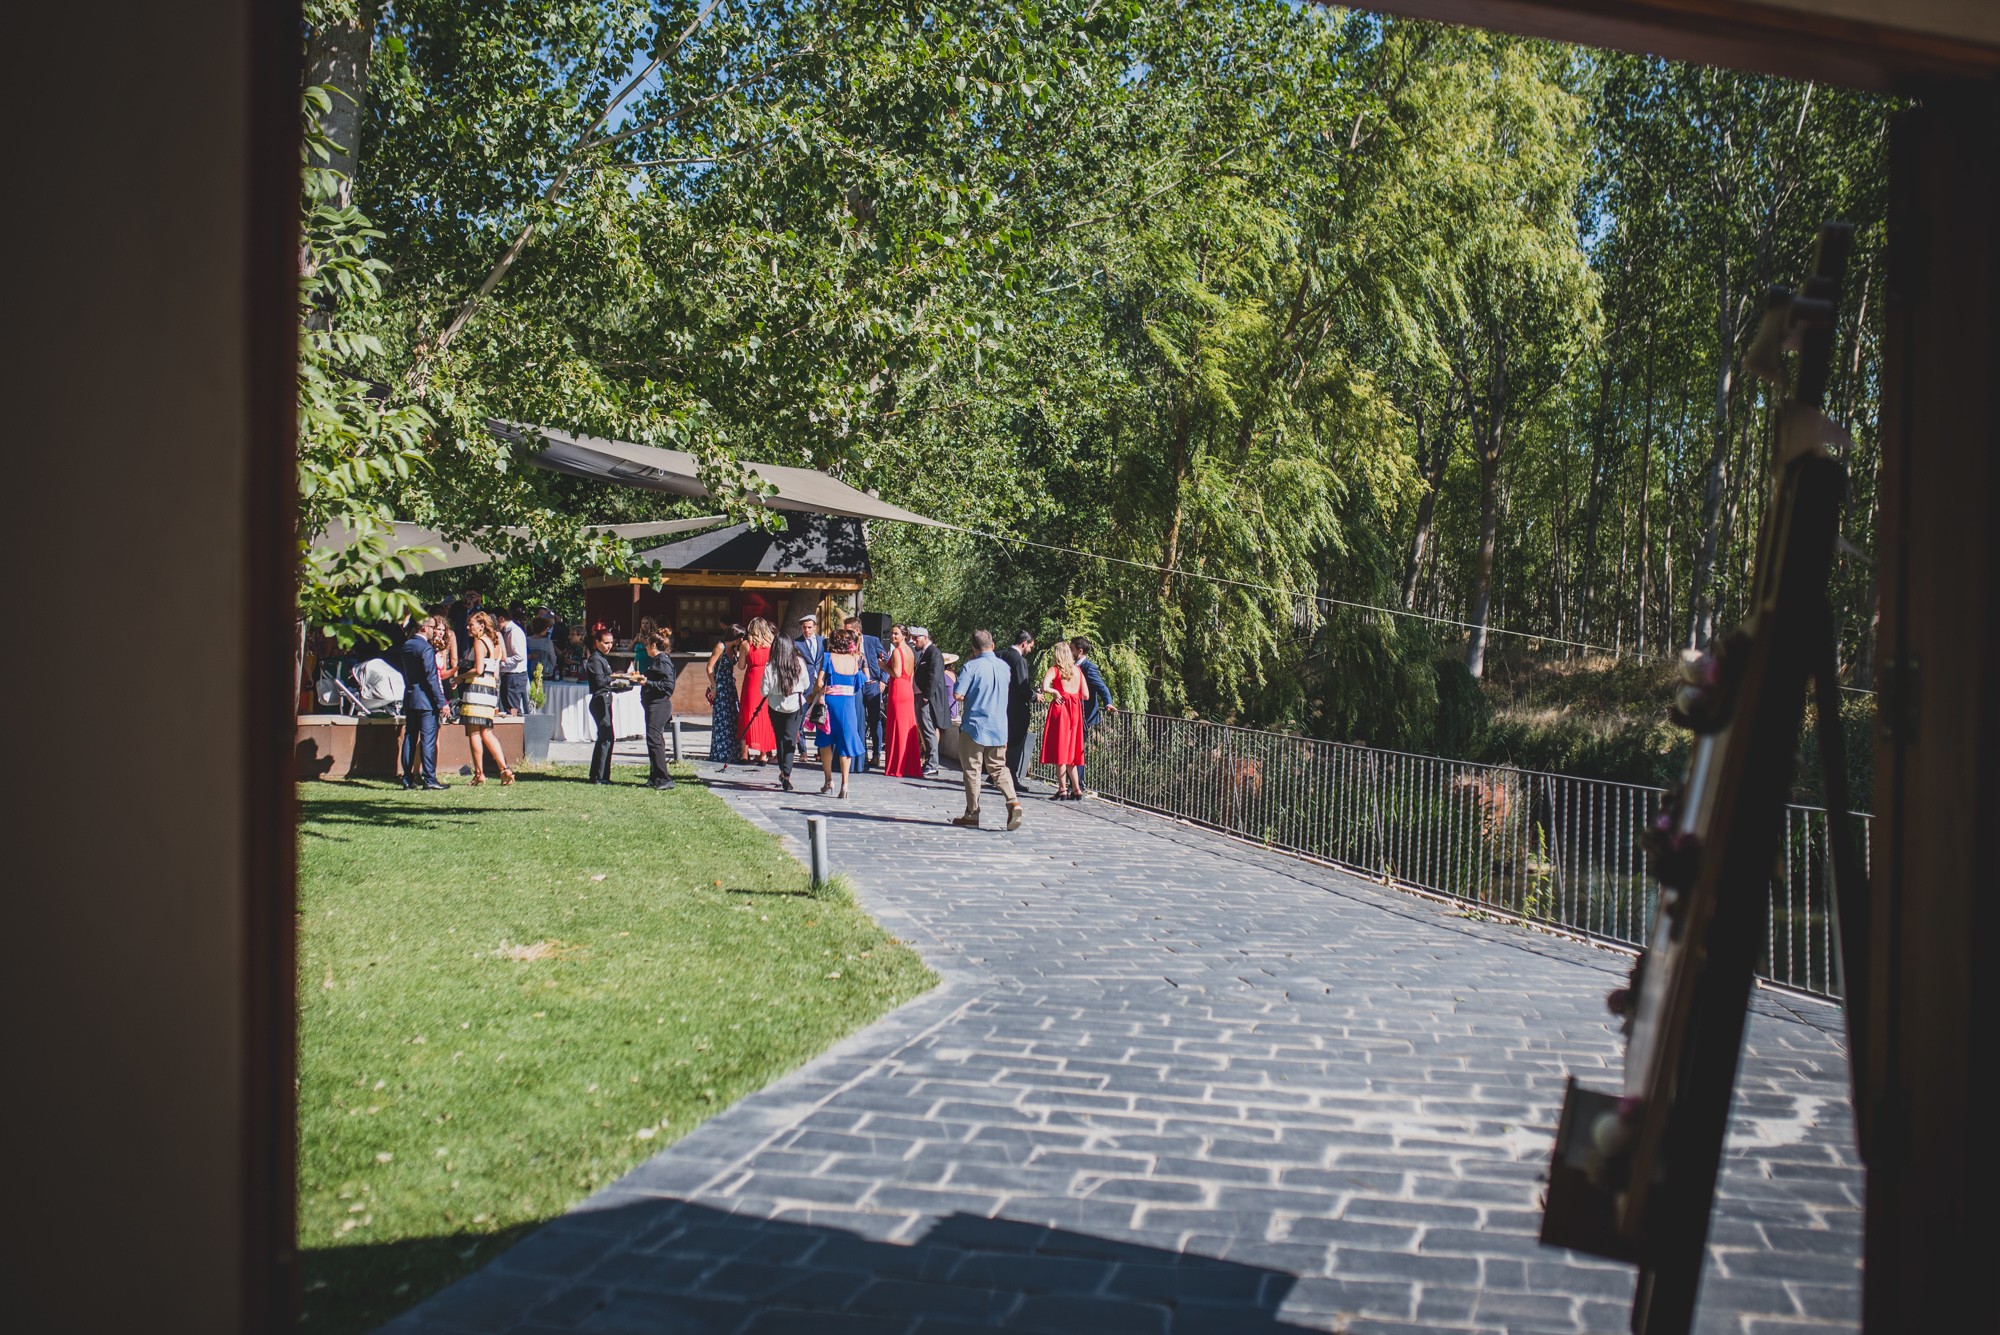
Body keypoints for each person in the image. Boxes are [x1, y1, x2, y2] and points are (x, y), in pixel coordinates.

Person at [950, 631, 1023, 831]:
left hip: (975, 726)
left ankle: (972, 814)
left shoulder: (971, 666)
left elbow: (957, 694)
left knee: (972, 771)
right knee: (999, 768)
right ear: (993, 644)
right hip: (999, 726)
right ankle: (1013, 801)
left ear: (974, 648)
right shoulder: (1004, 667)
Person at [808, 627, 867, 797]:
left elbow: (819, 682)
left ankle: (828, 780)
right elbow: (859, 683)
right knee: (846, 743)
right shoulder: (855, 659)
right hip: (847, 703)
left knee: (826, 742)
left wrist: (814, 694)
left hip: (830, 702)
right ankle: (845, 785)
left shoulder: (827, 657)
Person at [458, 611, 514, 785]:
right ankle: (505, 769)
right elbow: (500, 661)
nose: (468, 627)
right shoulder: (495, 641)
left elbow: (478, 668)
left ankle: (479, 773)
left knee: (474, 732)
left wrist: (458, 678)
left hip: (476, 689)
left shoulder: (479, 641)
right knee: (487, 732)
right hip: (490, 689)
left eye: (471, 624)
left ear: (482, 626)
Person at [398, 619, 449, 789]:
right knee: (428, 740)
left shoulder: (406, 646)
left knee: (410, 738)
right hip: (426, 701)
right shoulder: (425, 648)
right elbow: (431, 678)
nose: (435, 631)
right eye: (433, 628)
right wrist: (442, 702)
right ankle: (430, 779)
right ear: (424, 627)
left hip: (411, 697)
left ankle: (406, 778)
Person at [1038, 641, 1090, 799]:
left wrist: (1056, 692)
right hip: (1075, 712)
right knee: (1071, 752)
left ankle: (1062, 789)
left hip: (1061, 711)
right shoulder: (1078, 671)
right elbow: (1085, 695)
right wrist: (1072, 694)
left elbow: (1045, 686)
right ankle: (1076, 789)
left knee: (1060, 750)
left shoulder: (1055, 670)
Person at [762, 633, 811, 792]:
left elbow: (764, 691)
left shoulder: (770, 666)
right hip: (795, 705)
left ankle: (783, 770)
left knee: (780, 737)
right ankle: (786, 773)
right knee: (790, 738)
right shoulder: (799, 663)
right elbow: (806, 684)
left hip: (775, 706)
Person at [1072, 636, 1115, 796]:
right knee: (1073, 750)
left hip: (1084, 716)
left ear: (1080, 651)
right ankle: (1074, 784)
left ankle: (1078, 785)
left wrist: (1108, 703)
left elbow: (1101, 687)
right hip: (1074, 714)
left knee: (1078, 750)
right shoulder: (1073, 666)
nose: (1070, 652)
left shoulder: (1089, 667)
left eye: (1072, 649)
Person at [583, 625, 626, 784]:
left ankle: (601, 775)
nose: (609, 646)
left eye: (611, 643)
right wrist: (614, 676)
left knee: (608, 737)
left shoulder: (603, 658)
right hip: (599, 700)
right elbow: (600, 681)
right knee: (606, 737)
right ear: (597, 642)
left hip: (605, 698)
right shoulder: (595, 659)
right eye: (606, 643)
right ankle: (598, 776)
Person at [639, 626, 679, 790]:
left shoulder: (662, 661)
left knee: (654, 740)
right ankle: (655, 777)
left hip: (659, 704)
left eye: (647, 644)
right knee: (654, 740)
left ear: (653, 645)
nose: (646, 647)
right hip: (653, 703)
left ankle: (663, 778)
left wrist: (646, 682)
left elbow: (668, 686)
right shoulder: (659, 661)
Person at [880, 624, 922, 778]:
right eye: (892, 633)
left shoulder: (898, 651)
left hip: (898, 690)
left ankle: (897, 766)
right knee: (906, 729)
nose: (893, 636)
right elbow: (909, 674)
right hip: (907, 690)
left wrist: (883, 666)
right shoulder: (910, 651)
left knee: (898, 728)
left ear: (904, 635)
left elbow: (896, 673)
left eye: (896, 634)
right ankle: (907, 764)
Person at [996, 629, 1036, 786]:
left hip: (1001, 704)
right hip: (1016, 707)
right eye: (1030, 646)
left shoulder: (1000, 655)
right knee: (1015, 743)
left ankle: (996, 773)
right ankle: (1010, 777)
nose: (1030, 650)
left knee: (1003, 740)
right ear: (1024, 643)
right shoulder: (1019, 660)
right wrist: (1034, 696)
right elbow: (1022, 686)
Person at [846, 615, 885, 769]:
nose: (846, 633)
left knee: (874, 720)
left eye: (849, 631)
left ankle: (876, 754)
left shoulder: (872, 641)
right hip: (856, 686)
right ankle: (861, 754)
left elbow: (885, 658)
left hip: (872, 684)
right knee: (858, 719)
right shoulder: (847, 643)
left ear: (857, 630)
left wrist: (883, 681)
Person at [738, 618, 778, 763]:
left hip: (751, 681)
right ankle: (763, 754)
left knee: (747, 714)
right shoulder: (772, 644)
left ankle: (744, 753)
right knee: (765, 715)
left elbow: (741, 666)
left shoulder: (745, 644)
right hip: (767, 680)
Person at [909, 626, 947, 776]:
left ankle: (932, 764)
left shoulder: (934, 653)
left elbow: (934, 676)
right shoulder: (925, 653)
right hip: (922, 697)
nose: (914, 641)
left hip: (927, 699)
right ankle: (930, 762)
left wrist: (926, 696)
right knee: (925, 731)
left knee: (928, 731)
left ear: (925, 637)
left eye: (916, 638)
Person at [705, 624, 744, 767]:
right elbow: (709, 667)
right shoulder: (720, 647)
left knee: (733, 717)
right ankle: (720, 752)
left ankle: (732, 752)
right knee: (722, 719)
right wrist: (713, 686)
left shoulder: (733, 649)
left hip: (730, 686)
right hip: (720, 685)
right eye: (741, 637)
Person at [793, 614, 826, 759]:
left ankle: (820, 751)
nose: (806, 630)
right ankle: (803, 751)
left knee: (821, 717)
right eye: (804, 628)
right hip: (805, 685)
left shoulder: (824, 642)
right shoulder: (796, 643)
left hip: (821, 684)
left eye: (809, 627)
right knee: (800, 719)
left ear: (815, 627)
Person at [496, 606, 530, 716]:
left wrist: (502, 662)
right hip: (509, 675)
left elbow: (519, 655)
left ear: (501, 619)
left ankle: (517, 731)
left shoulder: (514, 631)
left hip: (515, 676)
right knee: (508, 707)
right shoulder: (508, 631)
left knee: (513, 709)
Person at [525, 615, 559, 680]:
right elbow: (553, 658)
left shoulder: (527, 640)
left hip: (529, 672)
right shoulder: (547, 642)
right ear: (544, 628)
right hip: (544, 673)